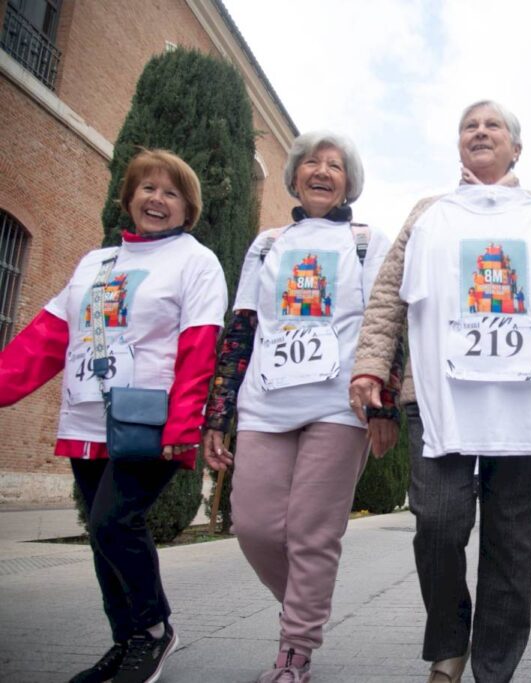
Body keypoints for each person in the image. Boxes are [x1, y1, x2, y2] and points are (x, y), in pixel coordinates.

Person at [349, 100, 531, 683]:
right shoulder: (430, 212)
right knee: (438, 521)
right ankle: (449, 641)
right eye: (468, 126)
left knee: (511, 536)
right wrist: (372, 365)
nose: (479, 132)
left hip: (526, 397)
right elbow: (389, 293)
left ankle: (494, 668)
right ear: (458, 146)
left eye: (491, 125)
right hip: (438, 394)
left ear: (515, 148)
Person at [0, 149, 227, 683]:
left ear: (187, 208)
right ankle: (125, 640)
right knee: (103, 536)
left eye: (171, 192)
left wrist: (183, 425)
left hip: (149, 422)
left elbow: (199, 346)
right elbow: (47, 337)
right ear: (129, 197)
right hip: (87, 418)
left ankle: (153, 630)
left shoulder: (195, 261)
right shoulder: (94, 264)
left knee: (114, 521)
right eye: (147, 188)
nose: (157, 199)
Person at [202, 131, 401, 683]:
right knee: (254, 527)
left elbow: (387, 322)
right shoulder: (266, 245)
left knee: (312, 534)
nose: (322, 171)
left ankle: (295, 650)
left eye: (335, 165)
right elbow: (242, 328)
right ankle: (303, 608)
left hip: (337, 407)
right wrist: (218, 414)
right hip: (265, 404)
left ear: (349, 183)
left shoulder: (367, 242)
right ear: (293, 177)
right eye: (311, 162)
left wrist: (384, 405)